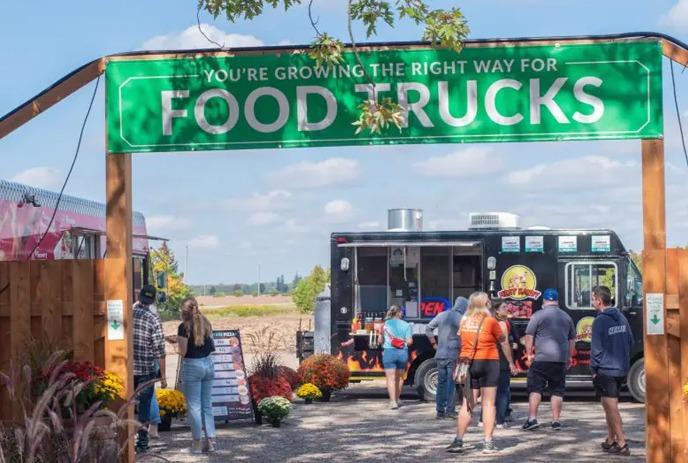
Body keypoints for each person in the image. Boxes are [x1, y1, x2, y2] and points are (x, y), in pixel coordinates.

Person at [446, 292, 517, 455]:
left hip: (468, 363)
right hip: (489, 362)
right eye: (488, 302)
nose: (490, 304)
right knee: (488, 403)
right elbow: (502, 340)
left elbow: (462, 339)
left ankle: (458, 440)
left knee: (467, 404)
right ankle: (487, 442)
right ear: (485, 304)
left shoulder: (464, 321)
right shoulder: (491, 321)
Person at [522, 288, 575, 431]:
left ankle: (532, 419)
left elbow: (529, 335)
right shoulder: (566, 317)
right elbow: (571, 339)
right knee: (557, 391)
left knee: (535, 389)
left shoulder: (537, 315)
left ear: (544, 300)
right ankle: (556, 421)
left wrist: (529, 354)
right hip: (559, 359)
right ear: (557, 300)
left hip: (541, 359)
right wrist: (569, 356)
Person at [591, 285, 634, 457]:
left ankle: (622, 443)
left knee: (611, 408)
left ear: (599, 300)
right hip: (621, 368)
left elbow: (596, 349)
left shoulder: (600, 321)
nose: (592, 302)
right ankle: (611, 440)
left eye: (593, 298)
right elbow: (630, 340)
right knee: (608, 406)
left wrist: (594, 369)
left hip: (606, 370)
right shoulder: (621, 317)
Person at [175, 297, 217, 454]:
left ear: (183, 311)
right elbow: (209, 345)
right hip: (208, 364)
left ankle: (197, 444)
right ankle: (211, 442)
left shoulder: (183, 327)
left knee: (194, 407)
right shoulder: (206, 322)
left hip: (193, 366)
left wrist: (176, 344)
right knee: (207, 405)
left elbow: (184, 352)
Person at [132, 284, 167, 454]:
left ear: (139, 297)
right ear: (153, 300)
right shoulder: (154, 319)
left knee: (126, 404)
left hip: (126, 369)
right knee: (144, 406)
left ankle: (124, 439)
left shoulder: (127, 313)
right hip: (146, 370)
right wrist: (164, 375)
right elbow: (160, 350)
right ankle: (142, 443)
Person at [425, 296, 468, 419]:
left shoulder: (441, 315)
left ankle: (439, 411)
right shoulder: (462, 319)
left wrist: (434, 344)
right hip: (453, 354)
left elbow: (428, 329)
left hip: (440, 354)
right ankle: (450, 410)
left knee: (441, 383)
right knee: (451, 383)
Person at [381, 305, 413, 410]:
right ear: (398, 313)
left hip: (389, 353)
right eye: (402, 312)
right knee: (399, 378)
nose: (402, 313)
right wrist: (402, 341)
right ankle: (397, 398)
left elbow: (380, 341)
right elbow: (409, 342)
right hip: (402, 353)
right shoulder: (406, 325)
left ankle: (393, 402)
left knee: (390, 378)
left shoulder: (385, 324)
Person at [494, 302, 515, 428]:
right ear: (496, 310)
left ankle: (483, 419)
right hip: (500, 359)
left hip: (490, 360)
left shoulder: (488, 321)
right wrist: (511, 362)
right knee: (502, 390)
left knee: (489, 391)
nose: (507, 309)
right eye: (503, 307)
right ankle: (501, 420)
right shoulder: (501, 324)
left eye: (507, 307)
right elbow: (504, 344)